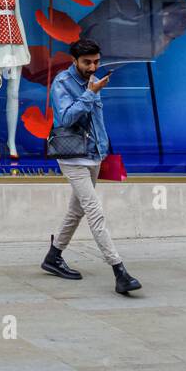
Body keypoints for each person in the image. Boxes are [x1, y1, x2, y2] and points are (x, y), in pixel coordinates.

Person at [40, 38, 142, 296]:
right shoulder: (63, 82)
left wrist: (105, 150)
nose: (93, 67)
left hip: (94, 155)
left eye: (96, 62)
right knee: (95, 211)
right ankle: (120, 272)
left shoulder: (93, 80)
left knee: (77, 211)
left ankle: (53, 257)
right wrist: (90, 93)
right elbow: (65, 118)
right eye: (87, 62)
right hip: (72, 157)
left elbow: (97, 120)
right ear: (74, 61)